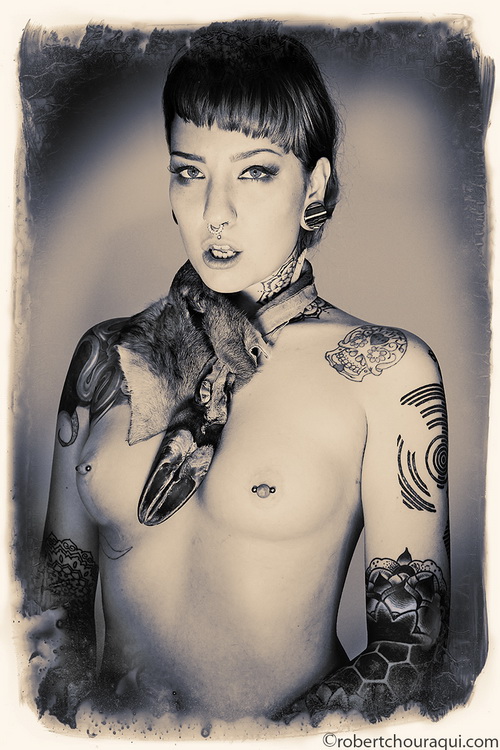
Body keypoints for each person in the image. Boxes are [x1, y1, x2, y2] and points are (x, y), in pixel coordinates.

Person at [32, 20, 452, 732]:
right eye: (190, 171)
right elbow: (51, 617)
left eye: (255, 172)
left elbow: (413, 651)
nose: (215, 212)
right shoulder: (106, 356)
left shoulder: (386, 371)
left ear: (314, 184)